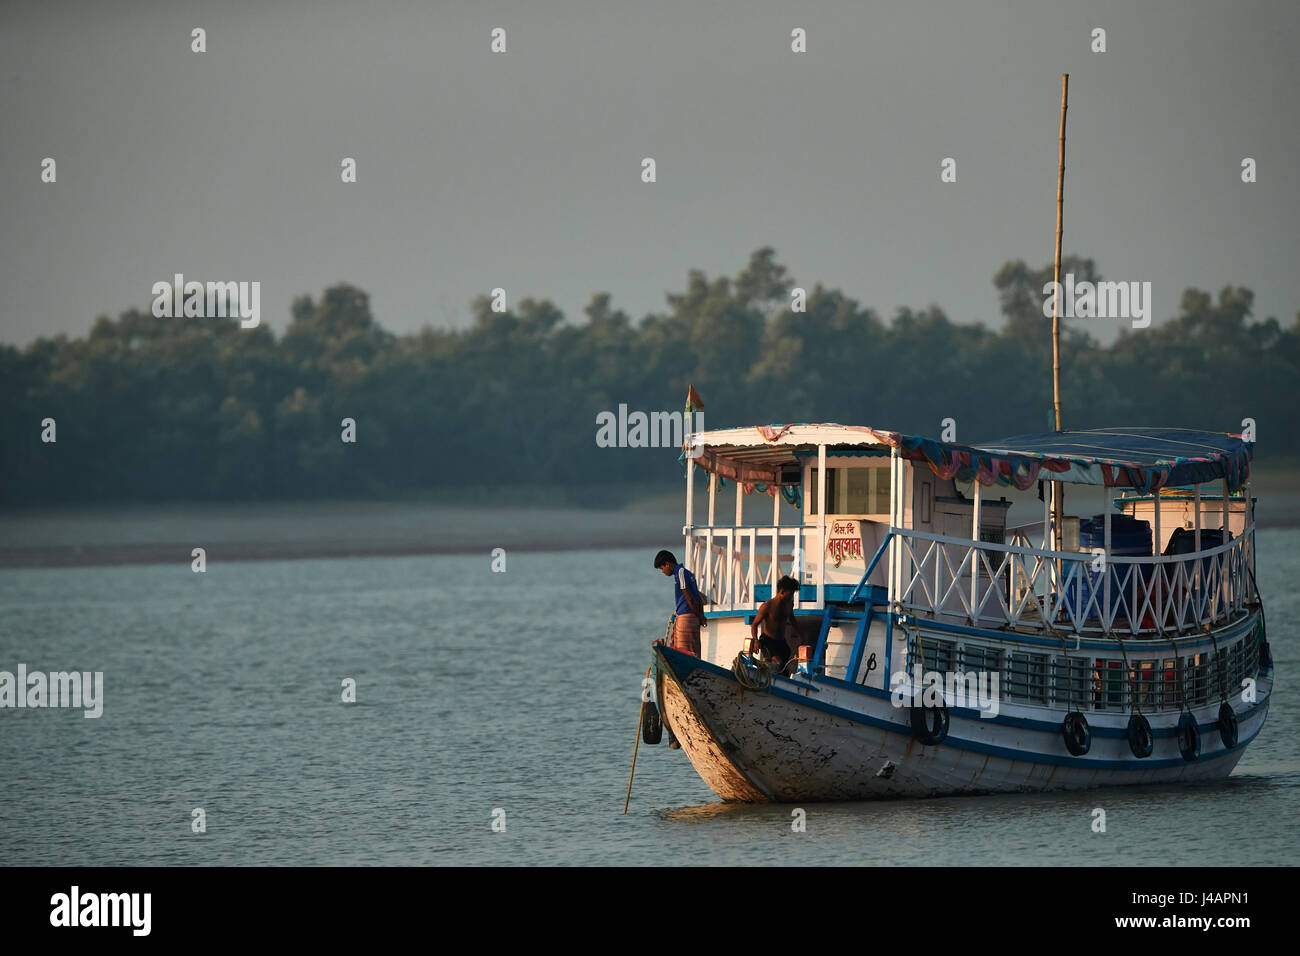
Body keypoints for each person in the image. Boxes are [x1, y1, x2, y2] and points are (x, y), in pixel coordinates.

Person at [653, 550, 705, 657]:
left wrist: (699, 615)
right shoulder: (688, 573)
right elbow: (698, 598)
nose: (663, 571)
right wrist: (700, 616)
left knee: (684, 653)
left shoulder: (680, 573)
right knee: (694, 652)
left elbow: (689, 598)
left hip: (686, 618)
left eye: (662, 568)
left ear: (667, 564)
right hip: (694, 617)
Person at [751, 575, 800, 672]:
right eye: (790, 594)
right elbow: (754, 625)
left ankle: (782, 683)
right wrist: (756, 640)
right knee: (777, 662)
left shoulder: (789, 604)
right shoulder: (767, 606)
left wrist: (801, 635)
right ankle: (761, 672)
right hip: (767, 641)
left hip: (781, 642)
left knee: (784, 668)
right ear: (782, 591)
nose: (791, 596)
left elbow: (792, 620)